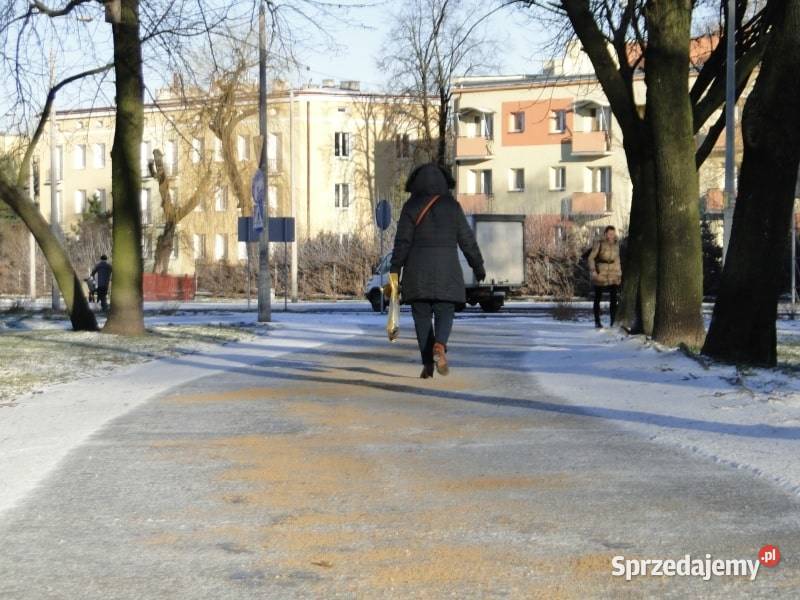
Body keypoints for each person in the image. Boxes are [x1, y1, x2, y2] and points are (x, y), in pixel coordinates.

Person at [389, 163, 485, 379]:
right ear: (444, 183)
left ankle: (427, 365)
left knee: (421, 318)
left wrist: (395, 269)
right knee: (445, 311)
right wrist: (477, 266)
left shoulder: (410, 207)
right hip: (447, 271)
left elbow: (402, 242)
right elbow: (467, 240)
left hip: (417, 272)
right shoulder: (452, 207)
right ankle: (440, 346)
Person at [588, 225, 622, 328]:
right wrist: (593, 271)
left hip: (613, 274)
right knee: (598, 297)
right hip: (601, 272)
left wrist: (619, 273)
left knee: (613, 298)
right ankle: (597, 321)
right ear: (605, 234)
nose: (611, 236)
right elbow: (591, 258)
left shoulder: (617, 244)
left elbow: (617, 259)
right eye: (609, 233)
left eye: (613, 233)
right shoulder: (599, 243)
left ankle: (613, 321)